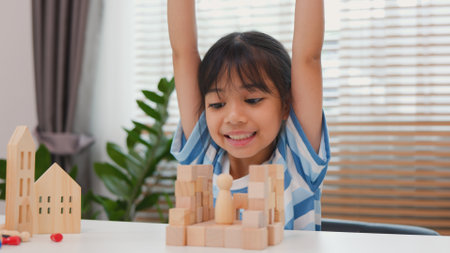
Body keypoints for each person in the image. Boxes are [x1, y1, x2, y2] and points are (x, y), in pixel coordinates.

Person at [168, 0, 330, 230]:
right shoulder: (203, 158)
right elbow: (182, 53)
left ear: (285, 105)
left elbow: (308, 57)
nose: (234, 117)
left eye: (252, 100)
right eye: (217, 104)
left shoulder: (296, 162)